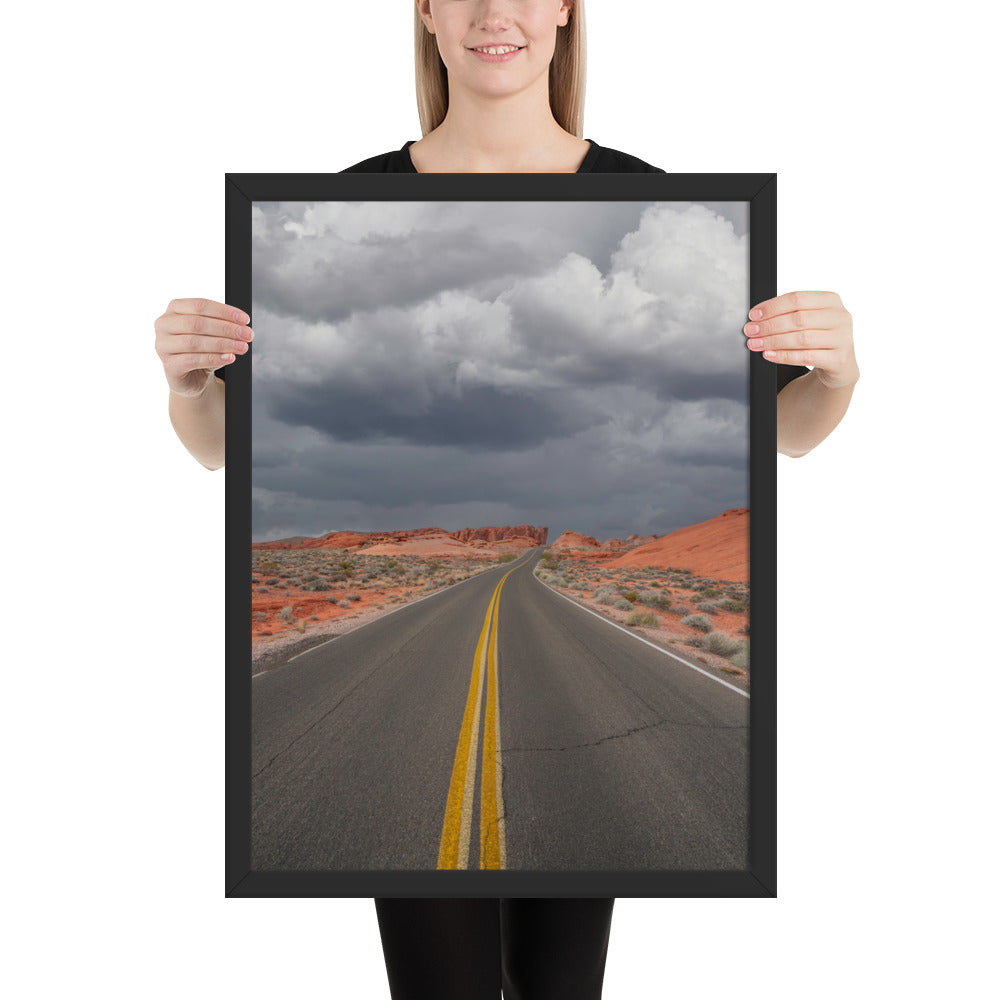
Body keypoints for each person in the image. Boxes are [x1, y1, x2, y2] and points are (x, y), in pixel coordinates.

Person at [154, 2, 859, 997]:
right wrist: (189, 386)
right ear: (427, 13)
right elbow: (224, 449)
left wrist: (836, 373)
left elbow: (778, 431)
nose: (497, 13)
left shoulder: (651, 198)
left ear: (566, 10)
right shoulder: (344, 203)